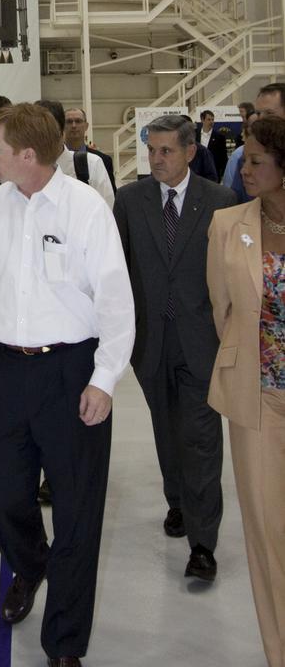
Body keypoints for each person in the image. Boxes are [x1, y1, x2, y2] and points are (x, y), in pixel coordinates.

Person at [0, 103, 134, 667]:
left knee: (79, 511)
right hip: (4, 368)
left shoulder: (86, 210)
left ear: (27, 155)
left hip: (70, 371)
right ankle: (32, 565)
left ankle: (64, 643)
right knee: (1, 492)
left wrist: (104, 379)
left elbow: (115, 301)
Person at [114, 113, 235, 583]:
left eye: (166, 151)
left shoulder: (220, 201)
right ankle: (178, 501)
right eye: (152, 150)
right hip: (150, 343)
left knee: (201, 438)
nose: (156, 159)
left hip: (201, 342)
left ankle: (203, 543)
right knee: (166, 429)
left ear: (189, 152)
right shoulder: (130, 200)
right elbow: (117, 272)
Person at [207, 116, 285, 667]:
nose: (245, 166)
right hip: (257, 399)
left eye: (257, 159)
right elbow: (223, 310)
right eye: (244, 156)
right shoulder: (227, 225)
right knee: (267, 532)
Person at [37, 98, 114, 207]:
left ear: (61, 129)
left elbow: (107, 211)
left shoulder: (92, 164)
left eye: (46, 131)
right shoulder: (26, 169)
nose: (41, 138)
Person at [224, 84, 285, 204]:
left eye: (269, 113)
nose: (261, 119)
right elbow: (237, 200)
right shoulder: (241, 155)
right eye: (258, 113)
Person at [63, 106, 116, 194]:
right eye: (69, 122)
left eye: (78, 121)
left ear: (86, 126)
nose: (74, 125)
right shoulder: (53, 159)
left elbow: (110, 195)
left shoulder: (103, 160)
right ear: (62, 126)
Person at [197, 109, 229, 180]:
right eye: (209, 119)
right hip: (197, 173)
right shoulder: (195, 134)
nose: (211, 122)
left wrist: (223, 173)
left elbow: (223, 157)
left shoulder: (219, 137)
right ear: (202, 120)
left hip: (213, 173)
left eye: (212, 119)